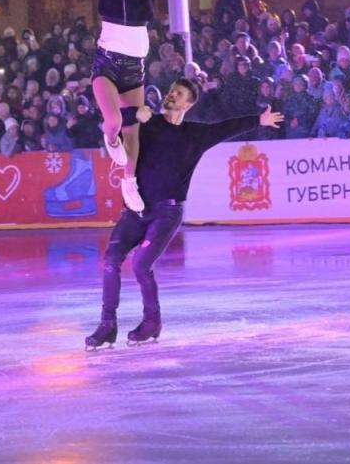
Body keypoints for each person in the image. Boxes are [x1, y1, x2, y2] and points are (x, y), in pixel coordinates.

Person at [85, 78, 284, 349]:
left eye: (178, 94)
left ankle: (152, 322)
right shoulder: (147, 124)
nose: (171, 95)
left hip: (167, 212)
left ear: (188, 104)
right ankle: (107, 325)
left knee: (142, 265)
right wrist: (133, 113)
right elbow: (112, 124)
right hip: (135, 208)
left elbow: (225, 128)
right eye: (171, 91)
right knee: (111, 260)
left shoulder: (194, 135)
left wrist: (258, 121)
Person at [49, 0, 211, 213]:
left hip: (134, 70)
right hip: (106, 65)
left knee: (133, 130)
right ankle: (110, 141)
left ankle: (129, 181)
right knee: (113, 120)